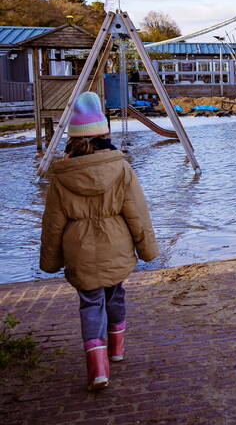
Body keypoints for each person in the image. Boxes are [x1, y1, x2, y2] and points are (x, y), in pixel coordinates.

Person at [39, 91, 158, 391]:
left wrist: (50, 261)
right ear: (105, 133)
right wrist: (147, 249)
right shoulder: (121, 168)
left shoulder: (61, 175)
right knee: (115, 294)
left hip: (78, 249)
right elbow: (137, 214)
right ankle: (116, 351)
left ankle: (98, 369)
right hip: (115, 244)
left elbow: (53, 223)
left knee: (90, 302)